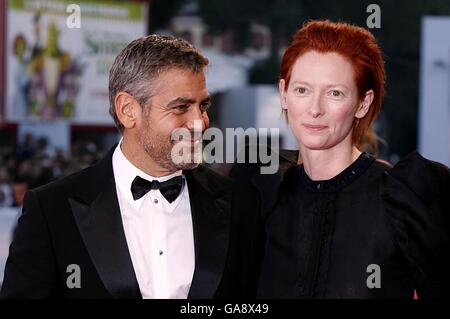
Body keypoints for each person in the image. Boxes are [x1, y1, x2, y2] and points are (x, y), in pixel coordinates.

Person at [1, 35, 260, 299]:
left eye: (203, 105)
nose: (200, 122)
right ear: (128, 110)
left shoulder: (238, 202)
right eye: (181, 107)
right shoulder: (51, 210)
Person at [231, 20, 450, 298]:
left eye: (335, 93)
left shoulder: (404, 198)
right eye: (302, 90)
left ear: (363, 103)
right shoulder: (260, 190)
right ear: (283, 93)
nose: (314, 109)